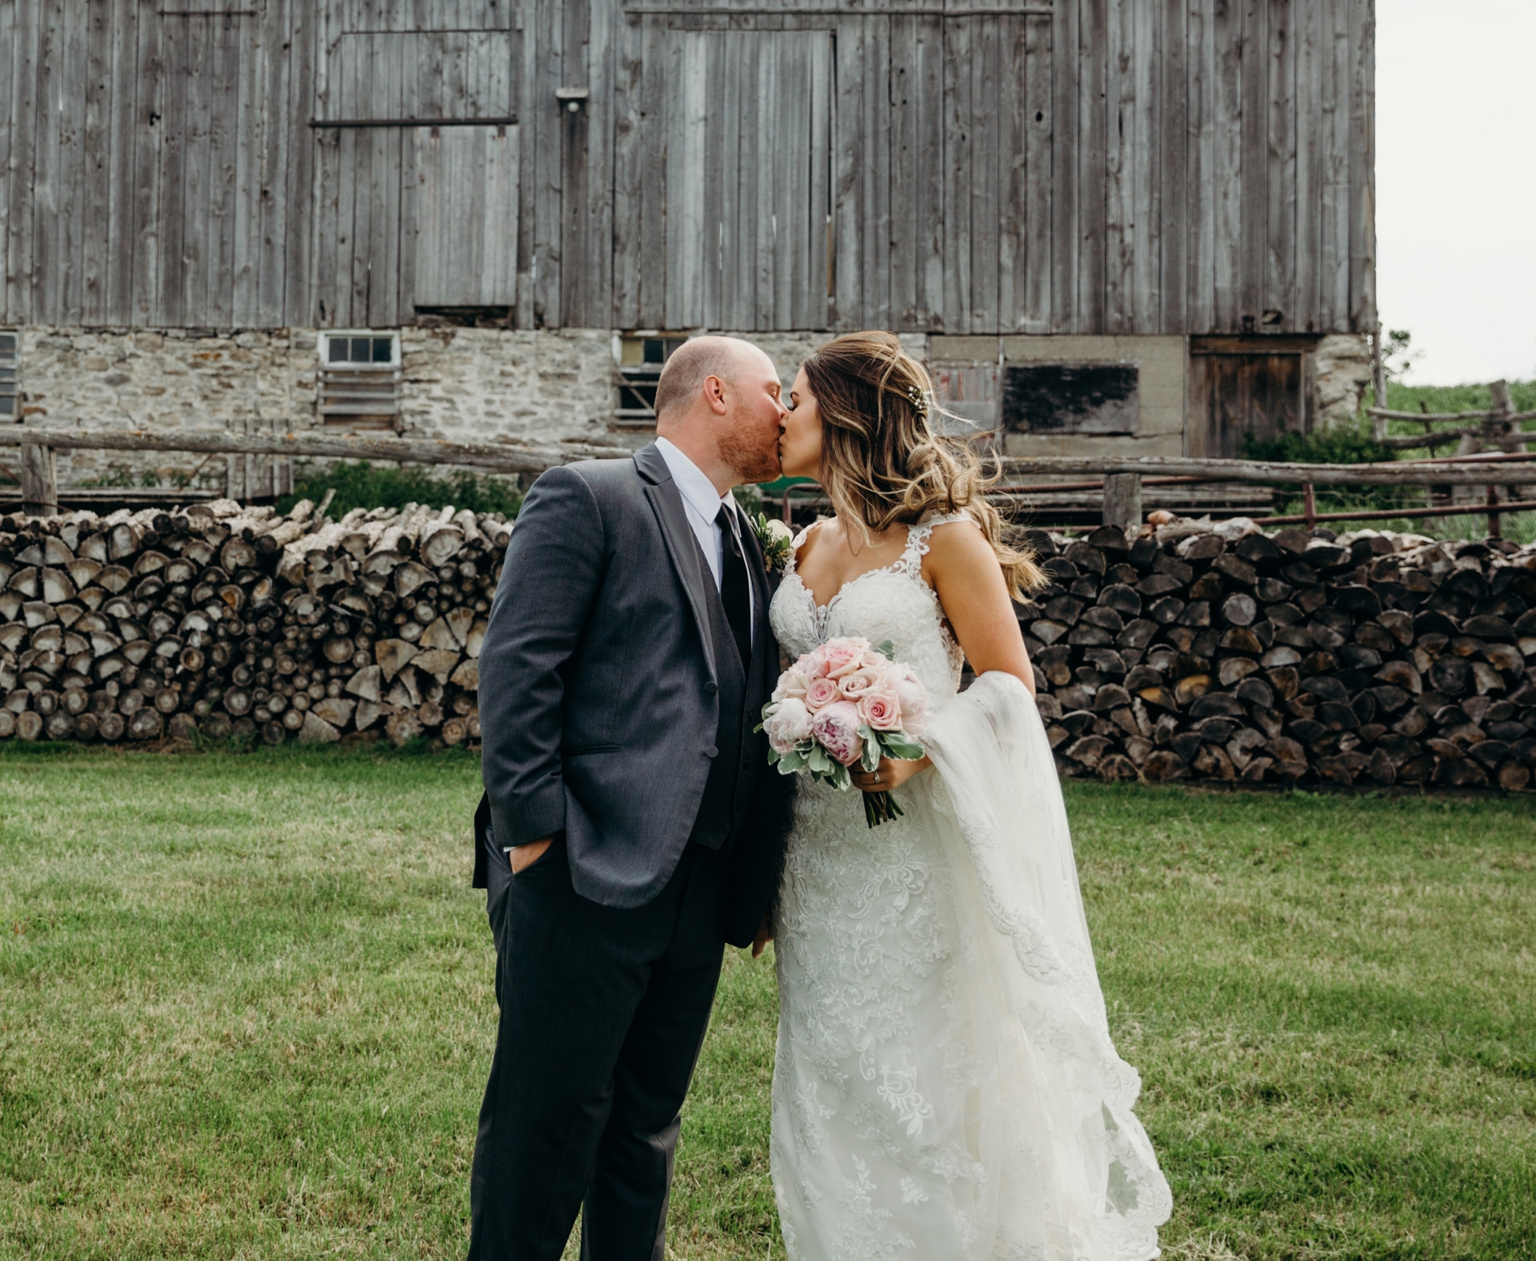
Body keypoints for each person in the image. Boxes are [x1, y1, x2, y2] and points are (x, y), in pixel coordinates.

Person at [765, 331, 1173, 1259]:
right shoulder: (800, 543)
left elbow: (1005, 685)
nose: (780, 415)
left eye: (794, 397)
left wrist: (913, 751)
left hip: (915, 851)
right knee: (830, 1073)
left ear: (843, 414)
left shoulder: (944, 543)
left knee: (929, 1076)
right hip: (817, 861)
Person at [469, 335, 796, 1261]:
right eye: (778, 391)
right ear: (720, 394)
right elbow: (519, 667)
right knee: (544, 1135)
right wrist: (535, 840)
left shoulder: (744, 534)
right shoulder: (590, 496)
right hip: (583, 876)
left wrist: (752, 874)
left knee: (645, 1138)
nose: (789, 412)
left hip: (699, 891)